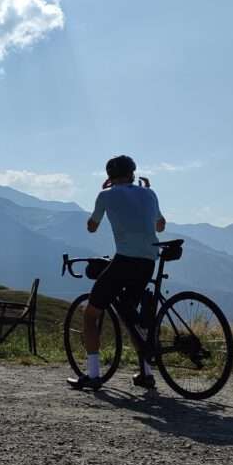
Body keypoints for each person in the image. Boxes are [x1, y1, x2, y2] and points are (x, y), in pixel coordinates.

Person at [68, 155, 166, 390]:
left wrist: (104, 202)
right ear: (132, 173)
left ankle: (92, 376)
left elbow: (92, 227)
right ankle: (146, 374)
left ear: (109, 177)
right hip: (149, 260)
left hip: (124, 260)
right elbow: (160, 225)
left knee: (91, 313)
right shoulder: (149, 193)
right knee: (130, 315)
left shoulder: (105, 195)